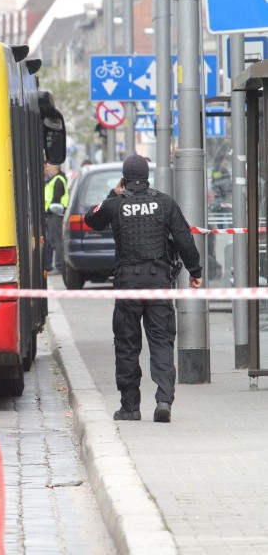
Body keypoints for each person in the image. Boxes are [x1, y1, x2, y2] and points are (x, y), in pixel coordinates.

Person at [84, 154, 202, 423]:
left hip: (128, 285)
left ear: (124, 179)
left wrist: (113, 194)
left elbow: (92, 219)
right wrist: (195, 271)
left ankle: (130, 407)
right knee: (161, 341)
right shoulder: (164, 202)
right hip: (158, 282)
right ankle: (163, 401)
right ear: (147, 176)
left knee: (127, 344)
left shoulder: (116, 204)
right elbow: (184, 238)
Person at [43, 162, 69, 274]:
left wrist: (48, 211)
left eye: (48, 165)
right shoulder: (54, 179)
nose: (47, 167)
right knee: (53, 240)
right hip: (53, 213)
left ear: (55, 167)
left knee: (56, 240)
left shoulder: (58, 180)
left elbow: (56, 198)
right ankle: (58, 265)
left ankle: (59, 266)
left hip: (55, 213)